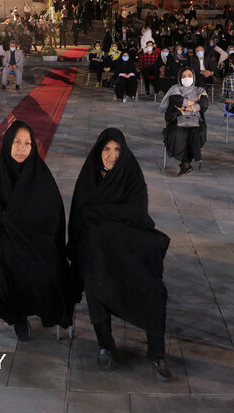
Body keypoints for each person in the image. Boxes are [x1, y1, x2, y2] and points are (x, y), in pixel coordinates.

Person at [67, 128, 171, 381]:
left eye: (117, 150)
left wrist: (100, 216)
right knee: (95, 283)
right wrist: (102, 222)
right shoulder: (89, 178)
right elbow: (80, 219)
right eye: (106, 149)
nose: (112, 155)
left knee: (154, 292)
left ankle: (157, 352)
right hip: (99, 255)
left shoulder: (132, 175)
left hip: (131, 249)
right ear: (98, 152)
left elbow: (136, 216)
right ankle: (105, 344)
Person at [0, 120, 74, 340]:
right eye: (17, 142)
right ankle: (16, 317)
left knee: (47, 270)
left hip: (35, 242)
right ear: (7, 143)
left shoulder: (41, 177)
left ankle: (41, 312)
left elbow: (52, 220)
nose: (21, 148)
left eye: (27, 143)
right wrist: (8, 233)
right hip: (1, 243)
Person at [159, 67, 209, 175]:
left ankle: (185, 163)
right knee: (178, 133)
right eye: (184, 76)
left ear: (194, 77)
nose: (187, 78)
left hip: (196, 120)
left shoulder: (200, 90)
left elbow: (204, 104)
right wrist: (195, 102)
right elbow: (177, 101)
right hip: (176, 119)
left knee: (198, 132)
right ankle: (185, 163)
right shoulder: (175, 89)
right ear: (179, 78)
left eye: (190, 76)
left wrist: (186, 108)